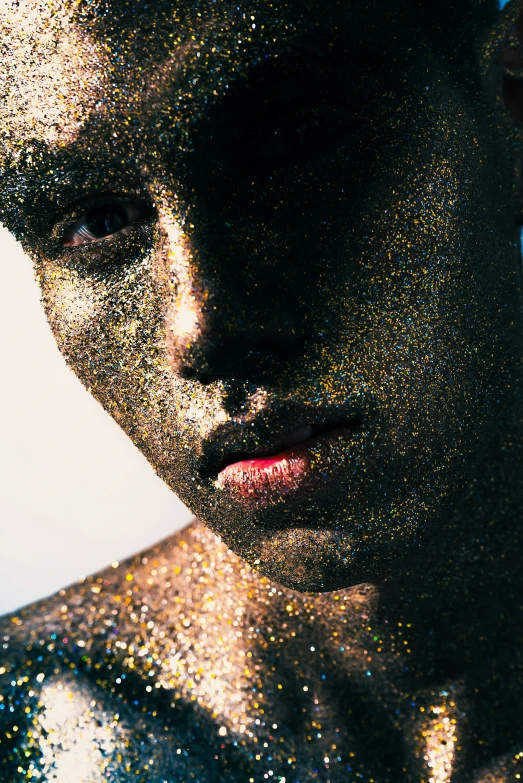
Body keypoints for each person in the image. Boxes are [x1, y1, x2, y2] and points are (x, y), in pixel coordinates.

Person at [0, 0, 522, 779]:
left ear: (510, 101)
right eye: (94, 219)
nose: (201, 328)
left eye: (291, 142)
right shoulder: (37, 726)